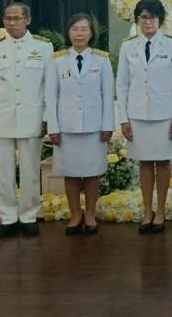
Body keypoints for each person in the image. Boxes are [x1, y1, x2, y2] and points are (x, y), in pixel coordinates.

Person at [0, 2, 53, 239]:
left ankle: (29, 216)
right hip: (2, 118)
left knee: (30, 171)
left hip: (32, 117)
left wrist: (46, 118)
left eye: (17, 18)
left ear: (27, 20)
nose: (12, 22)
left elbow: (48, 86)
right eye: (8, 18)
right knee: (4, 172)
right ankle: (8, 217)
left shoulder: (43, 47)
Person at [117, 0, 172, 235]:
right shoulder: (128, 46)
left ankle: (161, 211)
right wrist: (124, 118)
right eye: (143, 17)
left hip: (165, 115)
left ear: (160, 20)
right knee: (145, 163)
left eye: (153, 17)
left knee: (163, 162)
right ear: (137, 20)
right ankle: (147, 211)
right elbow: (122, 85)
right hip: (137, 114)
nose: (148, 21)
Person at [45, 13, 113, 236]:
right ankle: (75, 214)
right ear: (68, 32)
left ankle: (90, 214)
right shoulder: (57, 61)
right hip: (67, 127)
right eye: (75, 29)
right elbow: (51, 97)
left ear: (91, 33)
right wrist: (53, 127)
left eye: (84, 29)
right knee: (71, 173)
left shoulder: (102, 60)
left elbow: (108, 95)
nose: (79, 34)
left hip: (94, 127)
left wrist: (108, 125)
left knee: (93, 172)